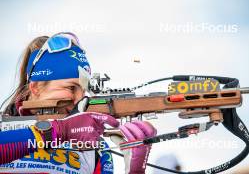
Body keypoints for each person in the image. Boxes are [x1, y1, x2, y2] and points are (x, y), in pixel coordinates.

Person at [0, 32, 157, 174]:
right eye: (71, 87)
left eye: (83, 91)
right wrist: (58, 131)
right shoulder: (3, 127)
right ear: (35, 87)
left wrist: (135, 172)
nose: (79, 99)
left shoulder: (95, 147)